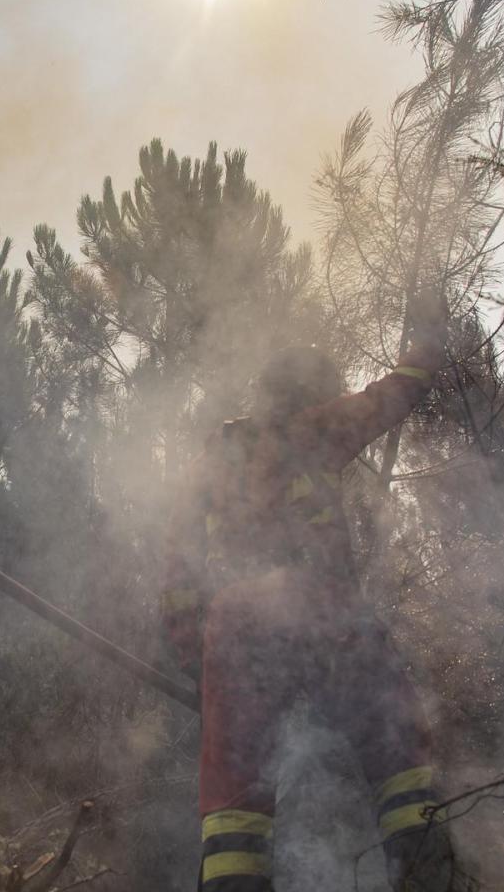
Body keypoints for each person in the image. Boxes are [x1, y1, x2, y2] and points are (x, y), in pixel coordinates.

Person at [162, 292, 456, 892]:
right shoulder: (313, 427)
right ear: (309, 393)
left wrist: (197, 657)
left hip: (234, 625)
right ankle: (427, 873)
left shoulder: (208, 460)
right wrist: (428, 330)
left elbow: (175, 571)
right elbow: (398, 391)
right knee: (392, 741)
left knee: (233, 794)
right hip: (318, 605)